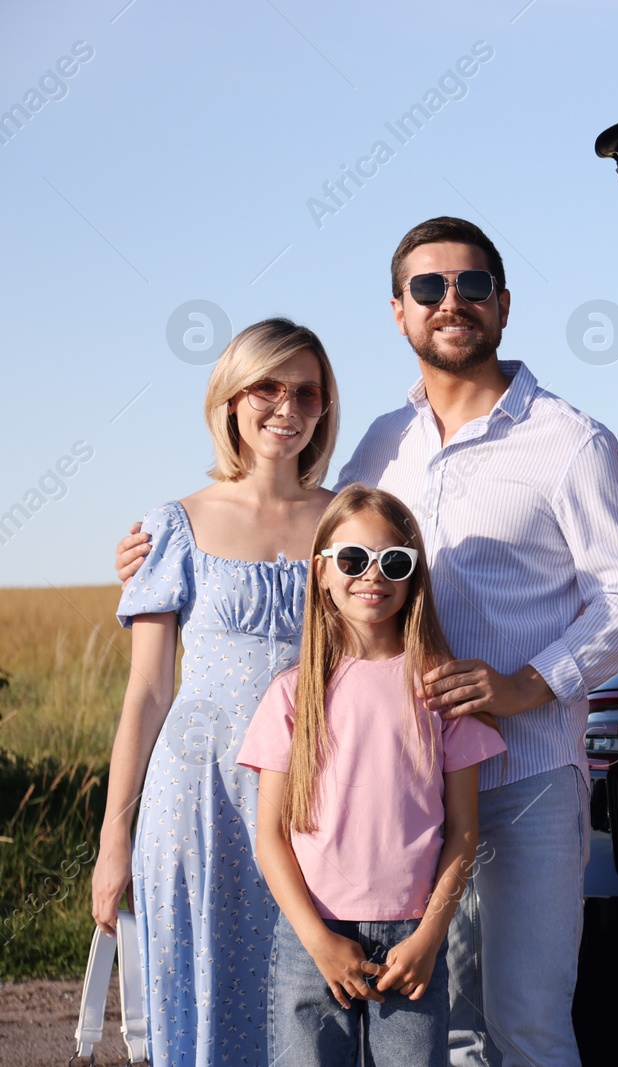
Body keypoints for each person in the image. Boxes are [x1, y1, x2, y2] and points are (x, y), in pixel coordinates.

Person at [117, 217, 618, 1066]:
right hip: (397, 799)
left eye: (472, 285)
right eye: (428, 287)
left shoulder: (570, 441)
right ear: (399, 313)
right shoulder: (382, 444)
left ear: (504, 305)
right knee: (447, 1031)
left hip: (523, 779)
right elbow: (309, 530)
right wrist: (163, 541)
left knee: (525, 1020)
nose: (451, 302)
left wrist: (528, 683)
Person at [94, 318, 341, 1067]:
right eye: (265, 386)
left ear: (326, 407)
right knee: (198, 1000)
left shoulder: (348, 521)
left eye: (305, 390)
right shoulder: (175, 525)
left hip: (310, 797)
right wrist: (113, 839)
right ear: (230, 399)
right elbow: (146, 693)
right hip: (195, 798)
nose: (285, 406)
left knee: (309, 1010)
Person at [238, 485, 506, 1066]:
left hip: (412, 940)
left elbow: (463, 832)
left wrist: (430, 938)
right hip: (313, 936)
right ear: (323, 573)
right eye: (353, 560)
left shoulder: (439, 692)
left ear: (414, 577)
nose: (372, 576)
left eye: (394, 561)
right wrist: (318, 941)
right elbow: (270, 838)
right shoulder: (293, 694)